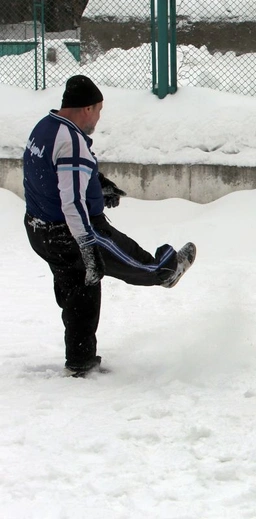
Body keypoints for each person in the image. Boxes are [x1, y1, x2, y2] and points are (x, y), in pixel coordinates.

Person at [23, 75, 196, 376]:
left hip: (40, 230)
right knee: (132, 261)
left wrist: (97, 184)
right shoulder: (72, 141)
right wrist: (87, 246)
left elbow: (47, 175)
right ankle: (166, 271)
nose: (99, 118)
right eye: (99, 110)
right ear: (87, 108)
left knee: (81, 290)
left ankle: (80, 361)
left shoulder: (45, 128)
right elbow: (71, 202)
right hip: (73, 232)